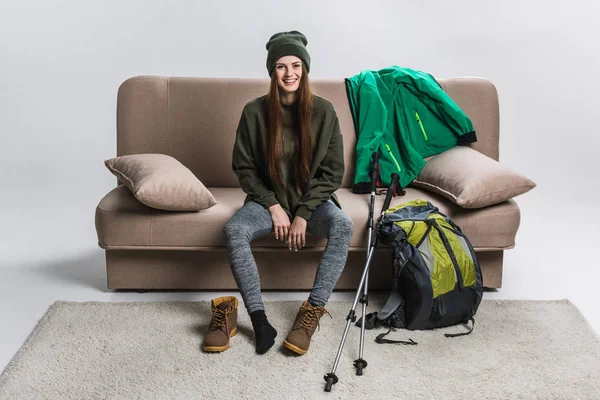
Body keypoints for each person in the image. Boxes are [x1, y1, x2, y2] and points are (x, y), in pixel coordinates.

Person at [219, 30, 354, 356]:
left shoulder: (324, 111)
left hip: (315, 204)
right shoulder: (254, 112)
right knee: (234, 229)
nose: (290, 73)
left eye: (296, 65)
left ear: (305, 69)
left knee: (343, 224)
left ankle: (310, 314)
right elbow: (245, 168)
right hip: (267, 204)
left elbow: (332, 173)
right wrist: (275, 207)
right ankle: (260, 320)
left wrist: (304, 213)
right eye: (281, 66)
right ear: (271, 71)